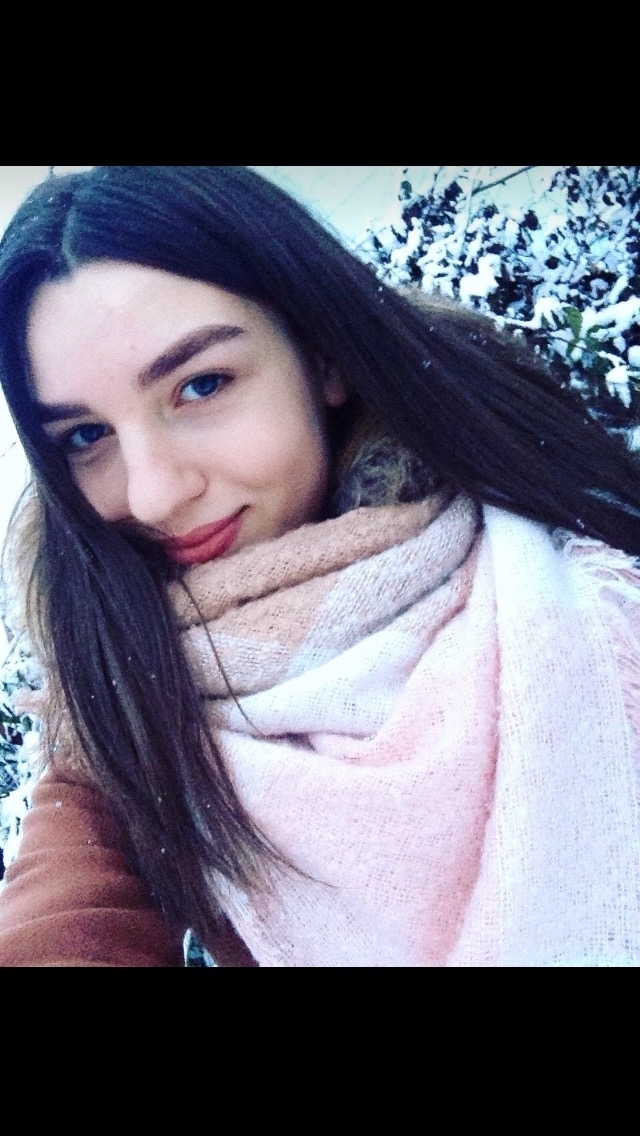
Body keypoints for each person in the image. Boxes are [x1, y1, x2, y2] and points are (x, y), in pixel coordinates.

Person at [0, 166, 638, 967]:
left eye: (202, 384)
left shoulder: (585, 575)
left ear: (323, 355)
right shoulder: (128, 709)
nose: (153, 494)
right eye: (87, 437)